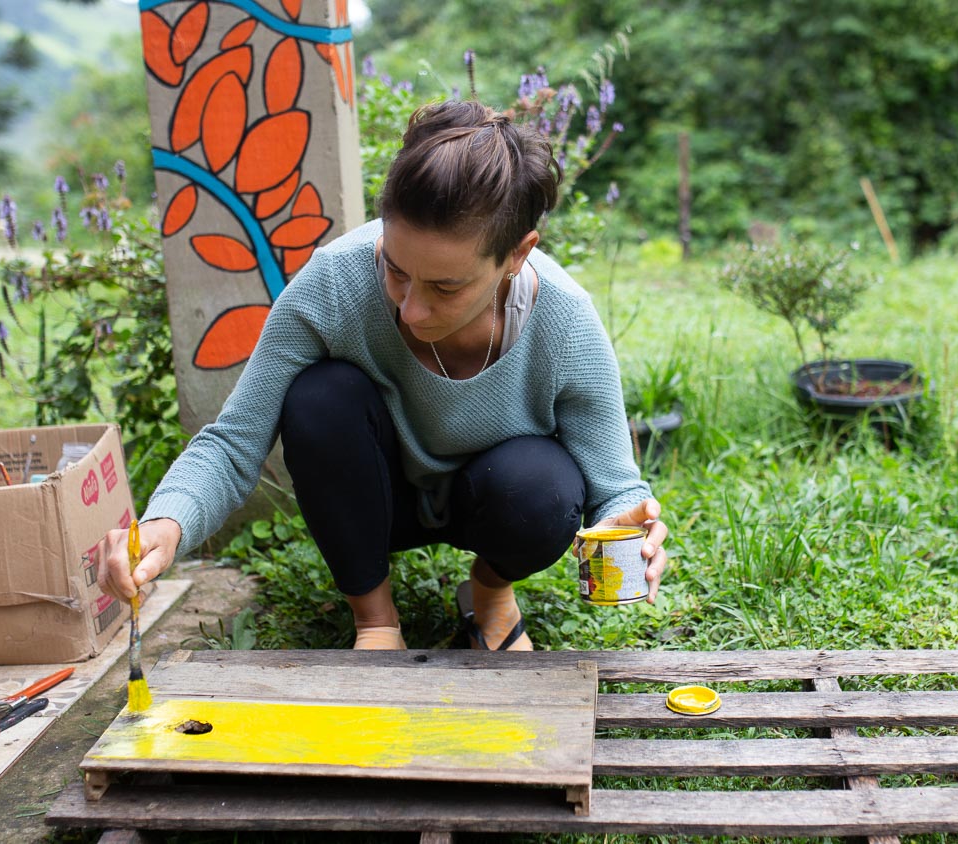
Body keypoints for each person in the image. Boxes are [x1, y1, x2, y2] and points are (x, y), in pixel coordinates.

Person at [96, 100, 668, 651]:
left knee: (543, 488)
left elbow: (615, 482)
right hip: (372, 497)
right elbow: (233, 441)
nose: (411, 310)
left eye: (445, 287)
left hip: (494, 497)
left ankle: (490, 594)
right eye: (395, 271)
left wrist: (627, 519)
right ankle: (374, 617)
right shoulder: (333, 283)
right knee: (320, 397)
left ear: (517, 255)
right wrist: (165, 524)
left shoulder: (565, 319)